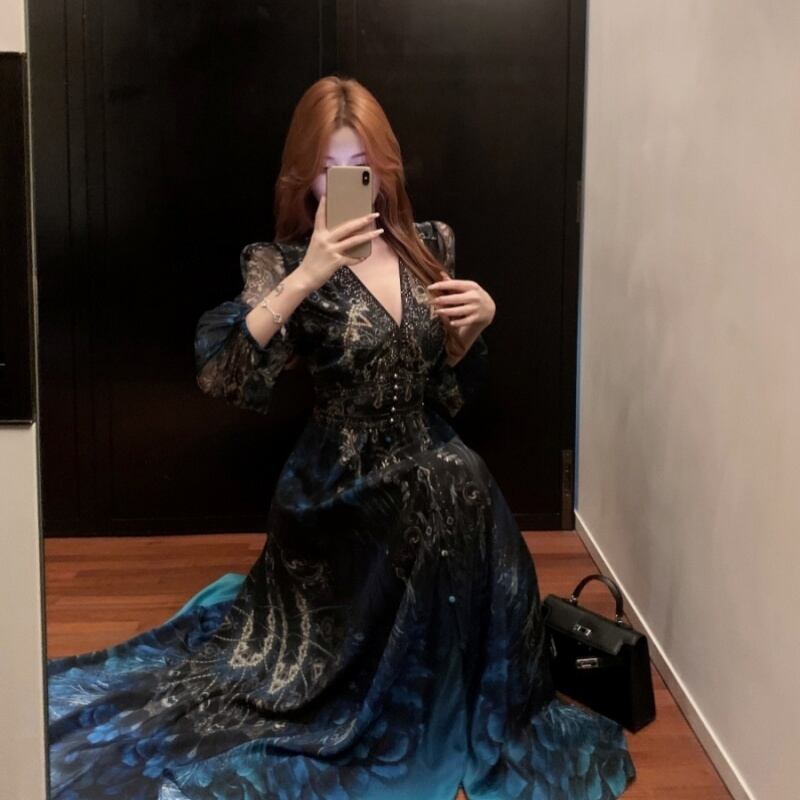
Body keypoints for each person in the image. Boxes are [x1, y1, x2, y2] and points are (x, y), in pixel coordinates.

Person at [47, 76, 636, 800]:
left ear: (386, 168)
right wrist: (309, 273)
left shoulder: (430, 245)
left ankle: (456, 688)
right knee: (442, 492)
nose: (350, 182)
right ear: (306, 176)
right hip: (338, 484)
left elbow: (447, 392)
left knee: (458, 483)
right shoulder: (279, 261)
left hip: (430, 462)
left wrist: (472, 331)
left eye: (363, 165)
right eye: (331, 168)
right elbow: (222, 374)